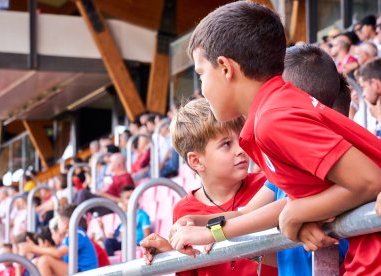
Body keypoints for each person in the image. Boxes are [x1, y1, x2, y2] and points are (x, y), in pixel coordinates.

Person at [181, 2, 381, 275]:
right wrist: (208, 227)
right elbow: (285, 202)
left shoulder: (274, 119)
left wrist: (297, 212)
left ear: (225, 68)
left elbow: (370, 180)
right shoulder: (274, 110)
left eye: (201, 74)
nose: (202, 89)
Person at [142, 98, 277, 275]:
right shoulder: (184, 210)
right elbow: (193, 263)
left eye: (241, 138)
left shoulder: (268, 184)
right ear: (196, 161)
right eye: (226, 144)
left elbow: (286, 249)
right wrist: (172, 251)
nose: (241, 149)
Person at [19, 205, 98, 274]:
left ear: (65, 224)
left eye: (59, 221)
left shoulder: (78, 233)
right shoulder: (69, 236)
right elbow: (56, 255)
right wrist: (34, 249)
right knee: (39, 261)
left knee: (44, 261)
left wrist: (33, 248)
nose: (58, 224)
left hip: (85, 273)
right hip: (77, 271)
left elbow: (58, 253)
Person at [104, 185, 151, 256]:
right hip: (125, 243)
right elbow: (121, 236)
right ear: (123, 201)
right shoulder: (124, 215)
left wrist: (143, 246)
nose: (132, 199)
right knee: (107, 242)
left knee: (108, 242)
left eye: (133, 197)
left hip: (136, 243)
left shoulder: (142, 214)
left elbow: (147, 234)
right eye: (128, 198)